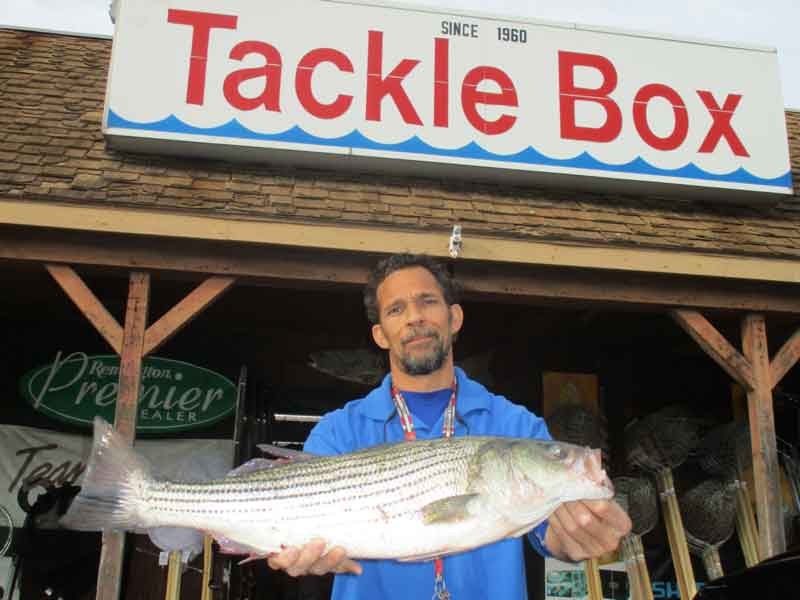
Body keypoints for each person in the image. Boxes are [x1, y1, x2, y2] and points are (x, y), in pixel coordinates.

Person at [268, 253, 631, 599]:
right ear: (380, 334)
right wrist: (292, 551)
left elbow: (552, 534)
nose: (414, 318)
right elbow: (295, 528)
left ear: (454, 318)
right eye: (397, 309)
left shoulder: (516, 425)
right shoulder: (338, 431)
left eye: (427, 301)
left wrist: (581, 535)